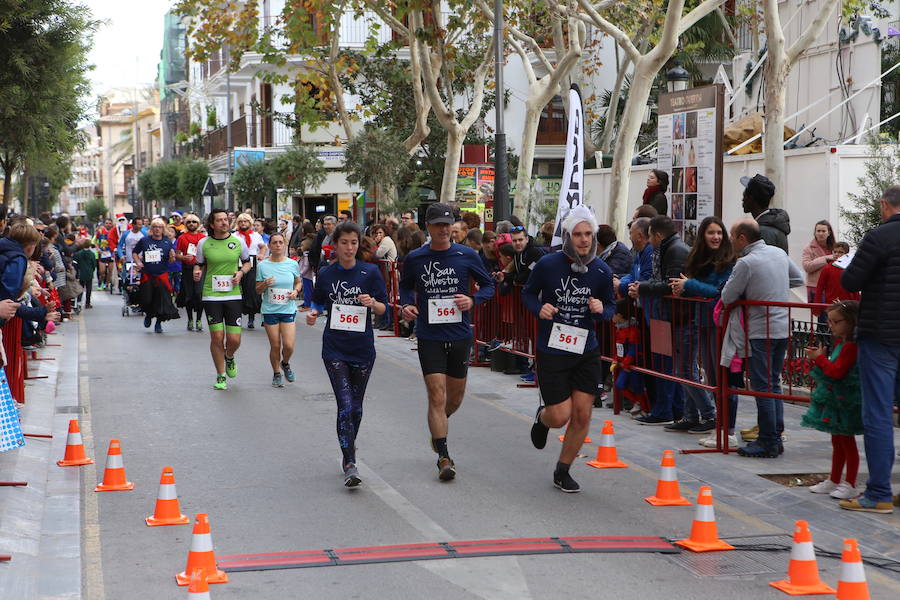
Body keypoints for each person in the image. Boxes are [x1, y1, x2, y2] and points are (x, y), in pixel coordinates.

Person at [399, 202, 495, 481]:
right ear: (428, 227)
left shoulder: (467, 255)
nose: (443, 229)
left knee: (454, 399)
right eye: (438, 224)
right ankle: (443, 455)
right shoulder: (416, 258)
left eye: (447, 224)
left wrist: (473, 299)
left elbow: (488, 285)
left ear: (453, 226)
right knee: (437, 396)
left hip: (460, 335)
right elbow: (405, 286)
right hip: (429, 335)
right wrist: (407, 306)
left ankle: (439, 426)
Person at [524, 205, 615, 493]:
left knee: (583, 414)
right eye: (578, 234)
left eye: (589, 234)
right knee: (560, 415)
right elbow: (527, 293)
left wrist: (602, 309)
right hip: (552, 349)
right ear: (567, 236)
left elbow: (611, 308)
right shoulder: (549, 265)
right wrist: (540, 308)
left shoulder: (602, 270)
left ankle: (563, 470)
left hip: (586, 350)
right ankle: (542, 418)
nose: (584, 239)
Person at [307, 221, 389, 487]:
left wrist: (372, 303)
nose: (349, 248)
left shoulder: (370, 273)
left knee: (356, 408)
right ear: (336, 244)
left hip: (363, 349)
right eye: (344, 242)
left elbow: (383, 309)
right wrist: (313, 312)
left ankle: (349, 447)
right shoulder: (328, 274)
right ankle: (350, 462)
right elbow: (318, 301)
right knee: (344, 406)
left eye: (354, 242)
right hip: (335, 348)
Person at [839, 185, 900, 513]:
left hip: (880, 337)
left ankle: (878, 493)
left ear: (884, 205)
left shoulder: (879, 237)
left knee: (877, 413)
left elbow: (850, 281)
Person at [721, 219, 804, 458]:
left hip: (761, 330)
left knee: (762, 386)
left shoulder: (746, 263)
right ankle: (775, 436)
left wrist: (758, 289)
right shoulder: (778, 253)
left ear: (742, 238)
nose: (730, 240)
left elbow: (727, 297)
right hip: (782, 327)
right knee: (773, 383)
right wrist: (774, 286)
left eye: (732, 235)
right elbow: (797, 279)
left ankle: (768, 441)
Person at [668, 216, 735, 434]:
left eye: (719, 233)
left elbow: (717, 291)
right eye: (710, 233)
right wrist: (682, 287)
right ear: (702, 236)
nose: (715, 237)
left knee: (718, 376)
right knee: (708, 374)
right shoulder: (698, 258)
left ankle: (723, 426)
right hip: (702, 321)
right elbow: (698, 286)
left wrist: (689, 284)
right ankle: (706, 420)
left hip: (719, 324)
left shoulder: (728, 260)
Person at [629, 216, 690, 426]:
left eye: (649, 236)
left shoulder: (675, 250)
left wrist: (642, 288)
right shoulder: (667, 248)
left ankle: (668, 409)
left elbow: (669, 285)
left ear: (657, 235)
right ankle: (670, 409)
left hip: (669, 315)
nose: (648, 241)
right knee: (663, 364)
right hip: (662, 314)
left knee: (666, 365)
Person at [801, 300, 863, 500]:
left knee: (847, 442)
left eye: (836, 322)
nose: (831, 326)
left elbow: (836, 372)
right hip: (838, 398)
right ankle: (834, 479)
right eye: (830, 321)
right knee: (837, 440)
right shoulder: (843, 343)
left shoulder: (851, 346)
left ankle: (850, 483)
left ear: (851, 322)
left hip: (845, 400)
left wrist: (819, 358)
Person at [193, 209, 252, 390]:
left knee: (234, 339)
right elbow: (199, 264)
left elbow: (248, 262)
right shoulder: (204, 243)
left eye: (225, 220)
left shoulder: (238, 242)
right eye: (219, 220)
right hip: (212, 295)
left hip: (233, 294)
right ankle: (220, 375)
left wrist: (241, 272)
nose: (224, 223)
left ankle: (229, 356)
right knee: (217, 337)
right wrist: (197, 272)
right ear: (212, 224)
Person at [256, 232, 302, 387]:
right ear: (269, 246)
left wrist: (296, 292)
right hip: (270, 310)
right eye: (274, 242)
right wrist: (265, 284)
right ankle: (276, 373)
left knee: (288, 345)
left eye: (280, 242)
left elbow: (298, 282)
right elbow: (257, 290)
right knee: (275, 345)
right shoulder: (262, 265)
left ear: (284, 245)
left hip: (288, 308)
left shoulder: (292, 264)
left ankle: (285, 363)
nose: (277, 245)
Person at [132, 218, 179, 333]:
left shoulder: (167, 242)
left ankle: (158, 323)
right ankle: (148, 315)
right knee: (147, 299)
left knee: (161, 301)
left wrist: (173, 257)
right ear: (151, 229)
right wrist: (138, 262)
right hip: (147, 274)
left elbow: (172, 260)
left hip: (162, 275)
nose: (157, 229)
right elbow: (135, 252)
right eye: (155, 227)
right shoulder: (145, 241)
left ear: (163, 229)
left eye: (160, 227)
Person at [611, 298, 649, 416]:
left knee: (638, 387)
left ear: (619, 315)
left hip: (634, 363)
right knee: (620, 384)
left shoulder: (632, 330)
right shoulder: (619, 328)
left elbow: (634, 349)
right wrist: (616, 359)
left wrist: (626, 363)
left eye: (613, 314)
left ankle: (645, 409)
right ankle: (637, 403)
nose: (611, 317)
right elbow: (619, 347)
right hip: (625, 364)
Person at [740, 174, 790, 253]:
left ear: (752, 199)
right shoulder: (773, 223)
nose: (742, 199)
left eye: (745, 195)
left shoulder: (763, 231)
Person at [233, 213, 267, 329]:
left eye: (245, 221)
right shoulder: (234, 235)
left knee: (251, 290)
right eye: (241, 221)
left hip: (252, 261)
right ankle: (238, 317)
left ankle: (251, 318)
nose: (243, 223)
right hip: (237, 262)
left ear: (250, 223)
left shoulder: (256, 235)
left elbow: (263, 246)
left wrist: (261, 255)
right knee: (238, 289)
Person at [175, 214, 207, 331]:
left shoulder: (203, 238)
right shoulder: (182, 238)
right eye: (189, 222)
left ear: (198, 224)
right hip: (187, 269)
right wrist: (183, 258)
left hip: (201, 269)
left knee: (199, 295)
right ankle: (190, 319)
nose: (191, 224)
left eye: (194, 222)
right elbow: (177, 255)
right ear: (186, 224)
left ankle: (199, 319)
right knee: (189, 296)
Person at [802, 220, 835, 302]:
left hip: (832, 287)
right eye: (818, 231)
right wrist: (825, 259)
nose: (820, 233)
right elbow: (807, 267)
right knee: (820, 313)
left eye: (823, 231)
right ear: (815, 233)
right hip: (815, 287)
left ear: (829, 233)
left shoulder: (835, 248)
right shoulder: (808, 248)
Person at [74, 239, 97, 309]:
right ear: (89, 245)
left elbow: (76, 263)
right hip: (89, 273)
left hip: (81, 273)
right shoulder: (92, 254)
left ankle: (79, 302)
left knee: (80, 288)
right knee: (88, 289)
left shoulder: (78, 253)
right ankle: (87, 303)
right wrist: (92, 270)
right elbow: (94, 264)